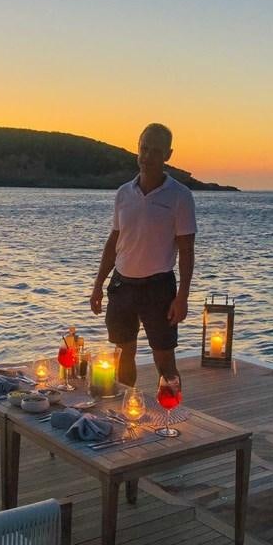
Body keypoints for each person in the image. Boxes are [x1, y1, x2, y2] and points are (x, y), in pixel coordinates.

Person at [89, 123, 197, 386]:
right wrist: (98, 284)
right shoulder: (124, 193)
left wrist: (182, 297)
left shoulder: (180, 196)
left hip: (158, 288)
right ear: (138, 148)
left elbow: (186, 250)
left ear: (168, 155)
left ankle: (172, 410)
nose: (147, 156)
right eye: (144, 149)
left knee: (165, 361)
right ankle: (127, 409)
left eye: (156, 151)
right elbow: (114, 240)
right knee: (123, 356)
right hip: (122, 285)